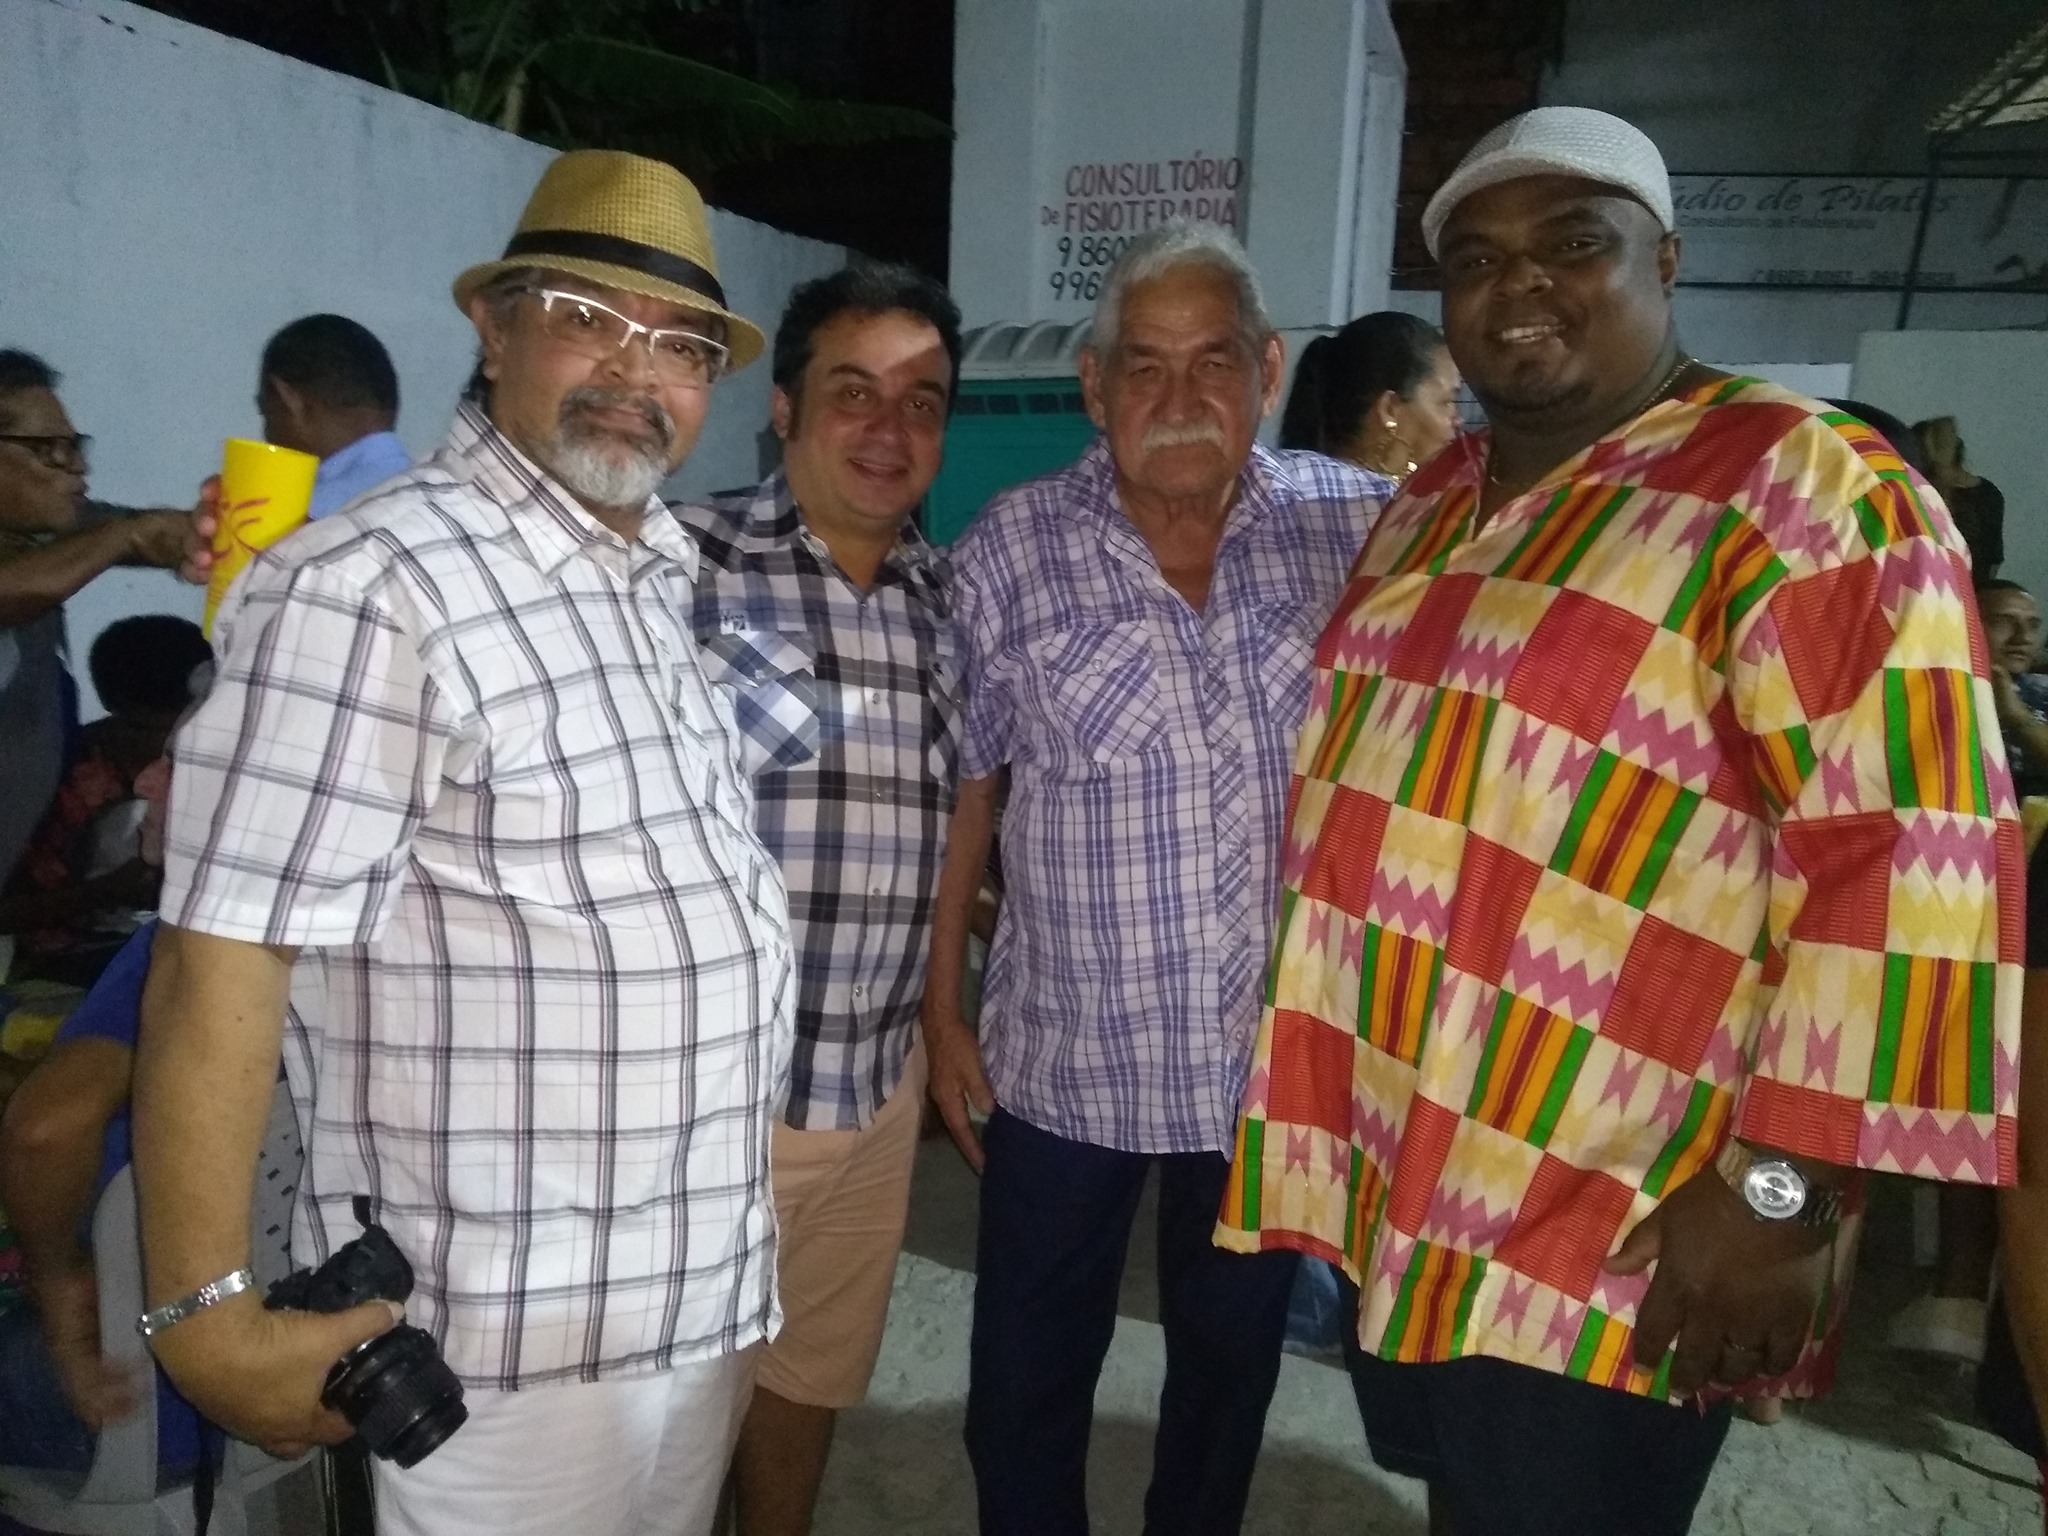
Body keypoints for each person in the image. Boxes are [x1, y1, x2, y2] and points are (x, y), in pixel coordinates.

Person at [1214, 106, 2019, 1536]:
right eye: (1475, 259)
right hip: (1415, 1166)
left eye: (1572, 242)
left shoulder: (1804, 484)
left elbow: (1911, 859)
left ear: (1667, 258)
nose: (1518, 282)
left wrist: (1781, 1197)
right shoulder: (1434, 503)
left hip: (1629, 1205)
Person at [128, 149, 794, 1536]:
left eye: (680, 344)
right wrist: (207, 1321)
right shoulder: (370, 584)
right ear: (494, 330)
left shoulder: (654, 577)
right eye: (586, 317)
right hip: (495, 1349)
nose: (635, 370)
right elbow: (220, 959)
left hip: (692, 1300)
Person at [922, 221, 1388, 1536]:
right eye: (1145, 365)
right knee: (1022, 1384)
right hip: (1067, 1057)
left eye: (1213, 362)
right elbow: (969, 794)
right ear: (1094, 385)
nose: (1179, 397)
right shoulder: (1009, 550)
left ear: (1268, 371)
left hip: (1268, 1069)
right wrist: (942, 1009)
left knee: (1227, 1380)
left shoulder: (1356, 531)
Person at [677, 262, 963, 1536]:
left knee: (811, 1374)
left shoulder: (951, 603)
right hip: (710, 1099)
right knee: (673, 1414)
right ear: (784, 407)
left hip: (877, 1086)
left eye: (921, 402)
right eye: (853, 392)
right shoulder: (674, 564)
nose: (888, 429)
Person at [0, 734, 205, 1487]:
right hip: (289, 1366)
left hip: (129, 1386)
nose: (144, 780)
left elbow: (46, 1128)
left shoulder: (188, 948)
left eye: (177, 761)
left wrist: (62, 1297)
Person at [0, 351, 203, 892]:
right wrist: (128, 536)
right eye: (48, 449)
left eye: (74, 446)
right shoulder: (39, 566)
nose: (78, 467)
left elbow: (143, 532)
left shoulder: (47, 536)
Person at [0, 616, 211, 980]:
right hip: (65, 962)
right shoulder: (63, 779)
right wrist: (111, 890)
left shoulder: (218, 760)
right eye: (146, 728)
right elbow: (10, 914)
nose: (169, 743)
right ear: (115, 707)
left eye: (191, 727)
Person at [255, 314, 413, 521]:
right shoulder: (441, 492)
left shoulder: (295, 520)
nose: (266, 437)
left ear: (292, 403)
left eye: (266, 412)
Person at [1278, 311, 1462, 482]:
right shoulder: (1373, 500)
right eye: (1446, 402)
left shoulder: (1292, 483)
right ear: (1389, 409)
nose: (1458, 420)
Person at [1915, 415, 2003, 578]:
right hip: (1970, 587)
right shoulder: (1988, 493)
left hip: (1925, 583)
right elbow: (1993, 558)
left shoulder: (1917, 490)